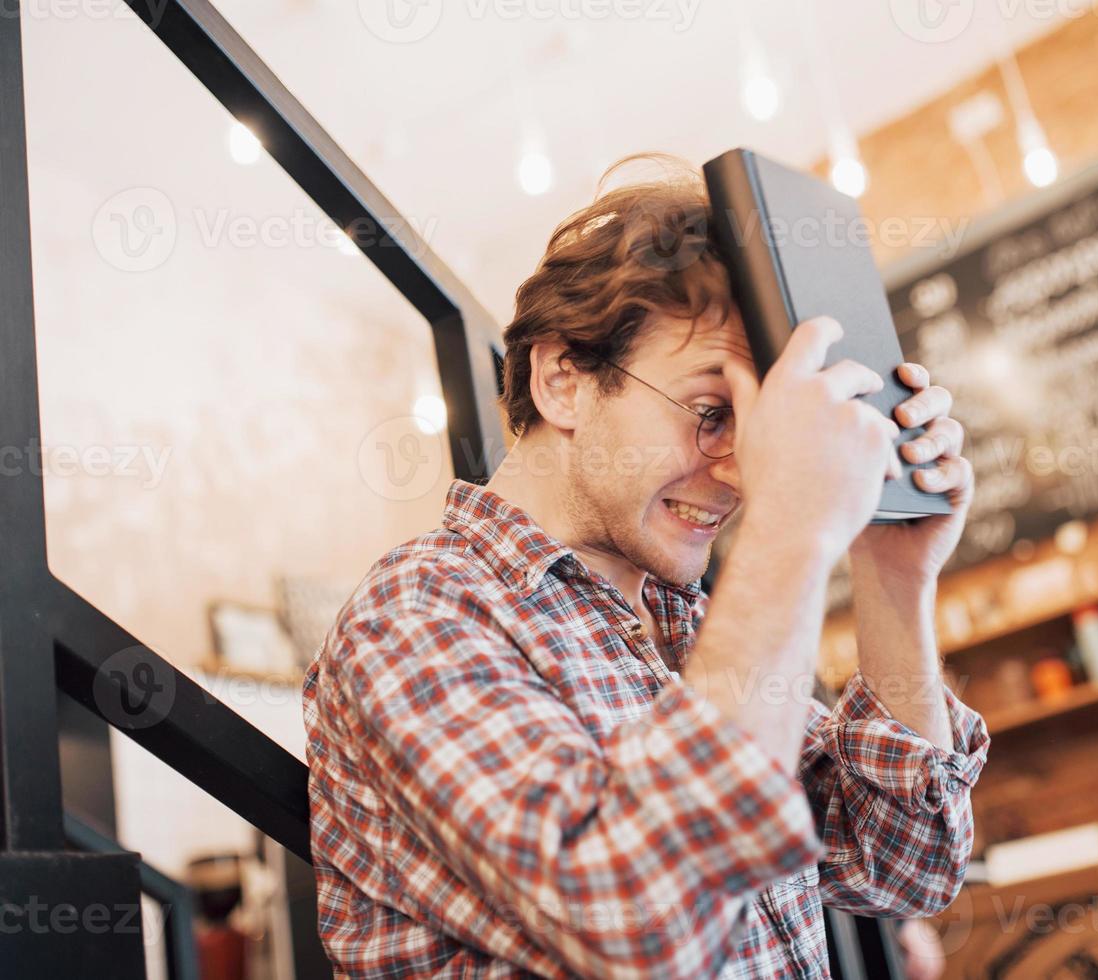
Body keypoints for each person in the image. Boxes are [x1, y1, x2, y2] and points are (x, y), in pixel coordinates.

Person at [302, 158, 990, 978]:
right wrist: (788, 531)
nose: (743, 471)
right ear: (562, 379)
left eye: (761, 427)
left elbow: (902, 864)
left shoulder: (682, 625)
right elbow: (640, 927)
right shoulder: (417, 617)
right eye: (712, 414)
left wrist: (892, 576)